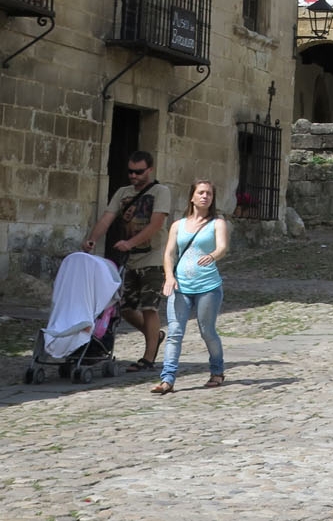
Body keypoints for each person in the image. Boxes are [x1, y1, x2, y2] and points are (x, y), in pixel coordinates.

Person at [82, 151, 171, 372]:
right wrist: (92, 239)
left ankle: (148, 359)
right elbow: (107, 218)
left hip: (154, 258)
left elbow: (156, 225)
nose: (134, 176)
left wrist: (130, 243)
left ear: (149, 170)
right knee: (126, 308)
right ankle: (155, 336)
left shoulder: (161, 192)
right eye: (130, 171)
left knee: (150, 306)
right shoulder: (123, 193)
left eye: (139, 172)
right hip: (129, 261)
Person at [152, 179, 228, 394]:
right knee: (175, 332)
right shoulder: (178, 225)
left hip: (208, 287)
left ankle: (217, 371)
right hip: (180, 287)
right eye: (201, 193)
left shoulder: (217, 223)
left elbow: (222, 247)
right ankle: (167, 379)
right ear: (192, 197)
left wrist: (212, 255)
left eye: (209, 194)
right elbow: (168, 253)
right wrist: (169, 276)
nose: (205, 197)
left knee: (207, 331)